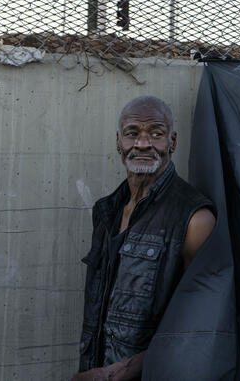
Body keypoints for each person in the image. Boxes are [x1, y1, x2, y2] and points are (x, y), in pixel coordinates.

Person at [73, 96, 216, 381]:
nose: (142, 144)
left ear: (172, 142)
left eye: (156, 133)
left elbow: (201, 323)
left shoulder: (195, 219)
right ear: (118, 142)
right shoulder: (106, 211)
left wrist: (124, 370)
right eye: (132, 133)